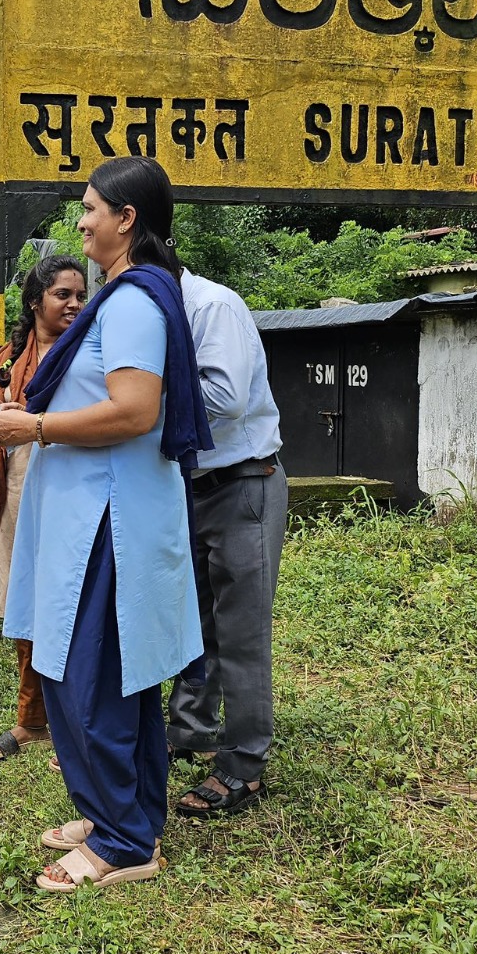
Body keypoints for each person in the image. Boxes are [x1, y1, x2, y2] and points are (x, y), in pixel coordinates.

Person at [0, 156, 212, 892]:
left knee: (93, 681)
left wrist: (34, 427)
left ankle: (124, 842)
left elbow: (138, 412)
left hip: (108, 521)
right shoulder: (123, 296)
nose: (80, 222)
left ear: (126, 219)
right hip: (94, 515)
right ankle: (127, 814)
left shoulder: (136, 302)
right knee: (115, 677)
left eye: (90, 209)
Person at [167, 267, 286, 817]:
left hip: (242, 483)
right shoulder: (155, 305)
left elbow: (226, 398)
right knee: (194, 621)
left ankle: (243, 763)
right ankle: (192, 730)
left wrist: (141, 402)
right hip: (189, 486)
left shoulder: (211, 307)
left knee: (240, 630)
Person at [0, 255, 87, 762]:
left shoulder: (87, 352)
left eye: (81, 295)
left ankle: (75, 724)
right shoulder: (7, 359)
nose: (75, 304)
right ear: (36, 300)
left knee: (70, 604)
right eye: (64, 294)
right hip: (17, 487)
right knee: (24, 605)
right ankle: (31, 721)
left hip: (70, 486)